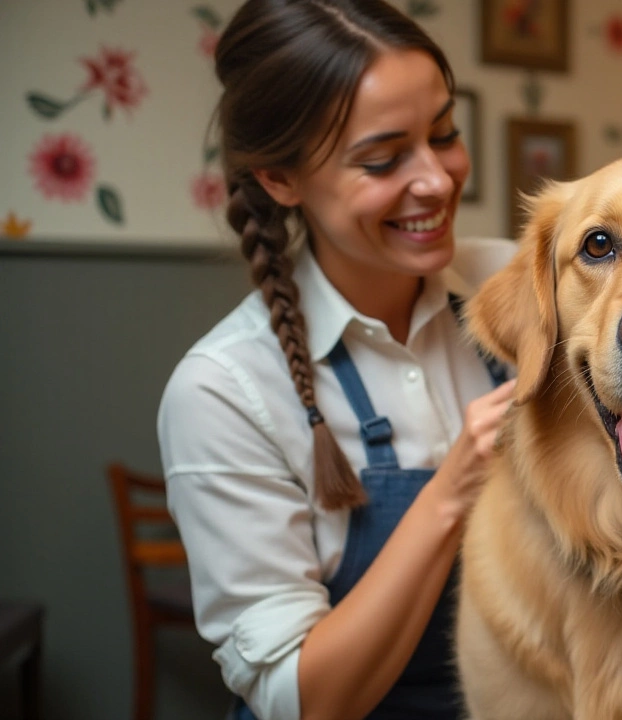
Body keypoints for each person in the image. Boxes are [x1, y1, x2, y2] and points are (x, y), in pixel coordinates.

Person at [156, 1, 517, 718]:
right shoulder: (223, 390)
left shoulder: (514, 285)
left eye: (444, 134)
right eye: (383, 159)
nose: (440, 182)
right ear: (280, 180)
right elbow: (304, 701)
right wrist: (453, 490)